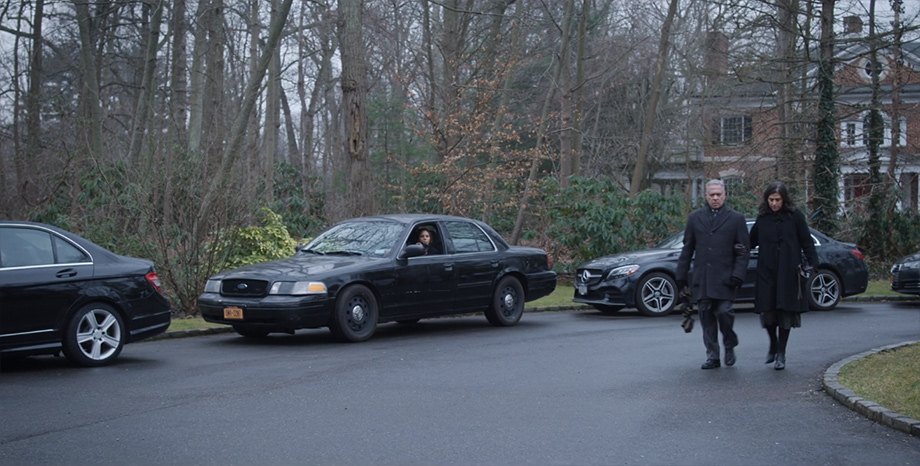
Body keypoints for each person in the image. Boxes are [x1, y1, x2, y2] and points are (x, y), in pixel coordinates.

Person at [676, 179, 750, 370]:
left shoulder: (736, 219)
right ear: (706, 196)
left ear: (725, 195)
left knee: (725, 312)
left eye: (719, 194)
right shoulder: (695, 218)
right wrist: (681, 276)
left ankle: (729, 341)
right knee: (706, 317)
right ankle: (713, 356)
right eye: (712, 195)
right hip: (703, 278)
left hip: (726, 278)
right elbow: (687, 249)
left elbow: (744, 251)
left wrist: (738, 274)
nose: (715, 198)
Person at [749, 181, 819, 370]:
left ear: (784, 199)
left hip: (788, 271)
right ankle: (773, 342)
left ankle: (781, 352)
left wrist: (812, 263)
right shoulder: (763, 218)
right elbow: (751, 240)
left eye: (777, 200)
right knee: (768, 312)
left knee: (785, 313)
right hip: (767, 271)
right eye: (771, 199)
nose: (774, 203)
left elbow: (806, 241)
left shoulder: (794, 216)